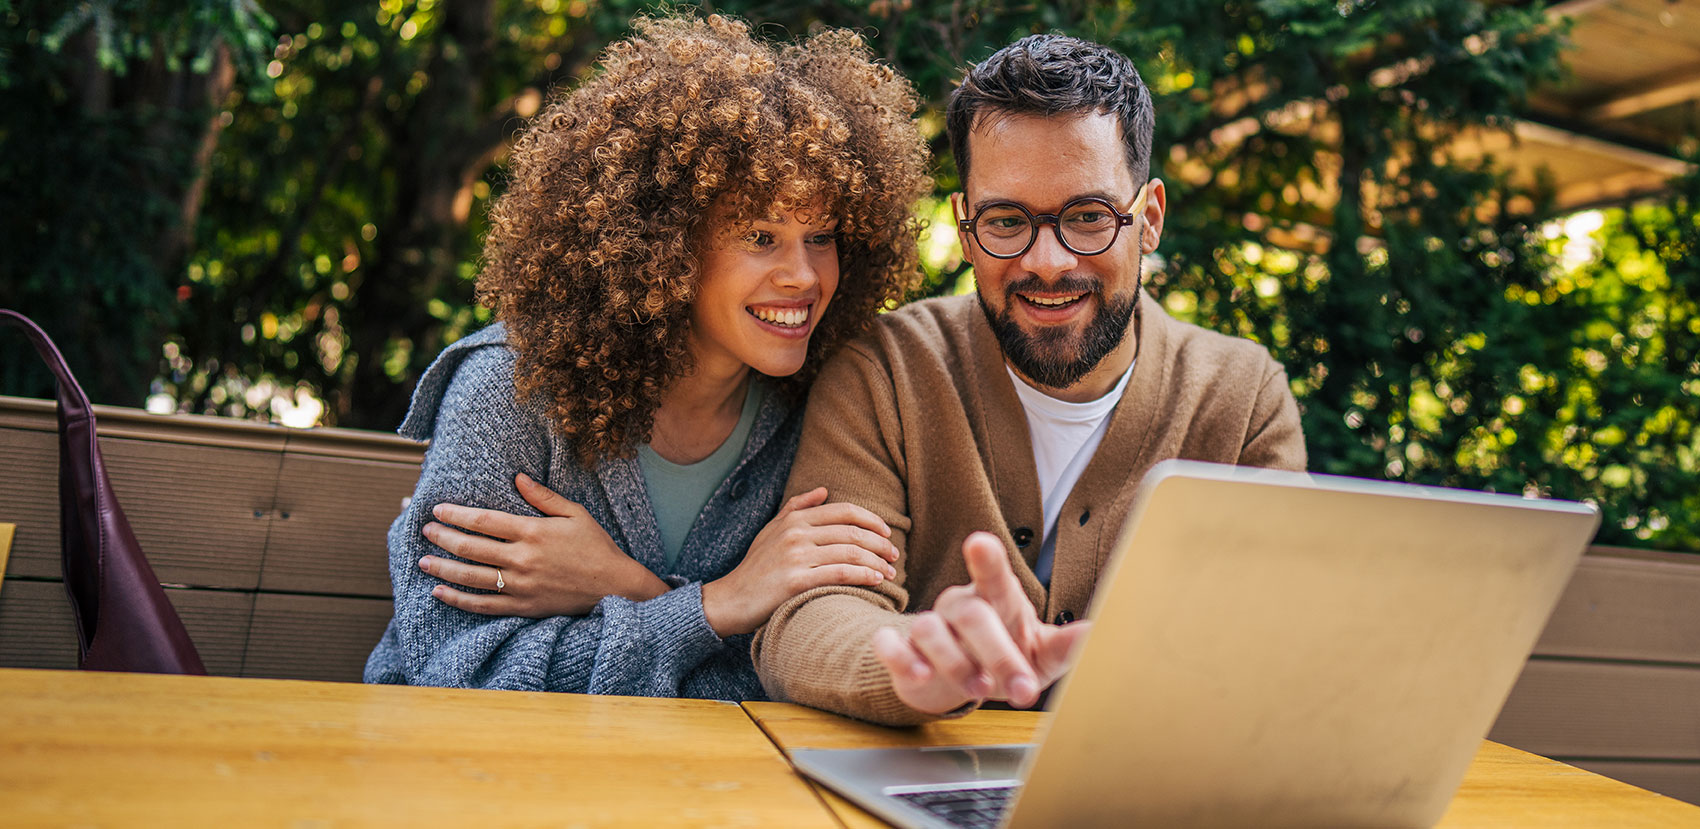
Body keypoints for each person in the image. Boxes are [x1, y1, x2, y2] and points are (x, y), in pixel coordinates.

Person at [362, 15, 930, 700]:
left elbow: (783, 680)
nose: (805, 277)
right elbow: (455, 673)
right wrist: (712, 606)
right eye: (760, 234)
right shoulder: (510, 391)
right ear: (664, 242)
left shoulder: (819, 414)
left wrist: (625, 589)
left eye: (821, 236)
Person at [749, 34, 1307, 725]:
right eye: (1007, 220)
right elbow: (812, 614)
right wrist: (915, 660)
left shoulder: (1242, 397)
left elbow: (1271, 641)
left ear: (1150, 218)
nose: (1047, 260)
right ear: (964, 225)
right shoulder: (889, 370)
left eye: (1088, 217)